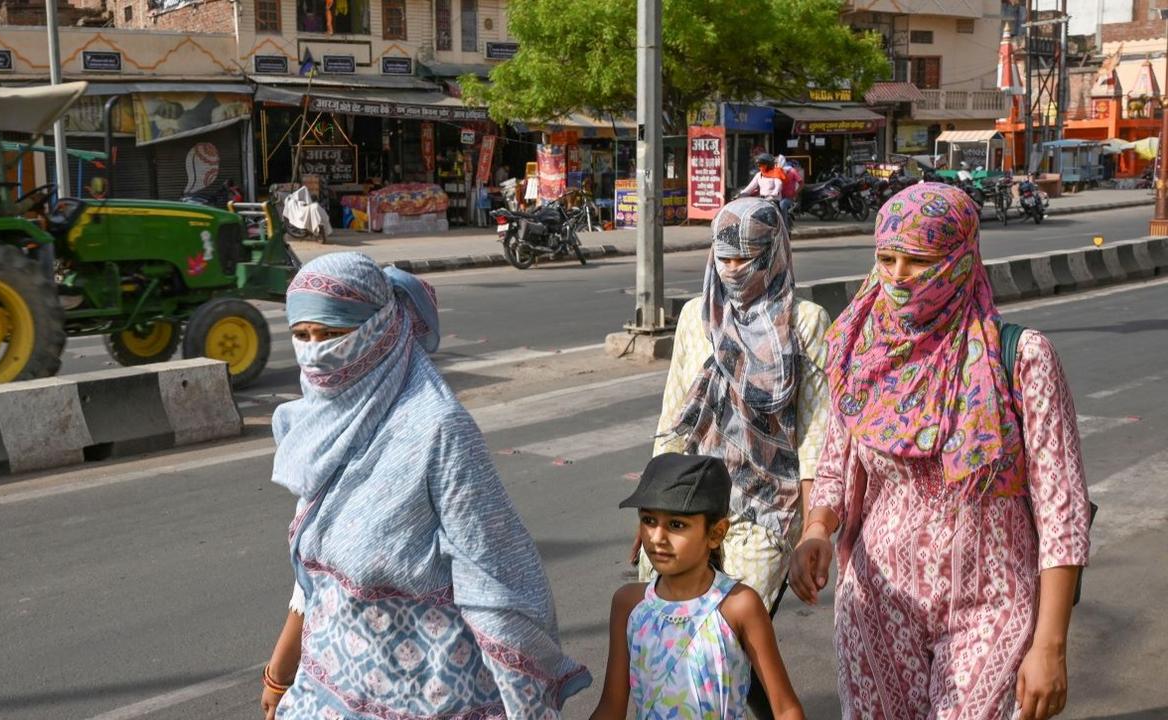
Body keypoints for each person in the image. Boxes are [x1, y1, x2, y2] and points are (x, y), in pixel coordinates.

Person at [789, 183, 1091, 720]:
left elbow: (1061, 509)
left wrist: (1052, 643)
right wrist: (816, 530)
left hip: (994, 603)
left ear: (958, 260)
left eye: (919, 260)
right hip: (877, 604)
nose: (900, 276)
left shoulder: (1022, 359)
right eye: (887, 258)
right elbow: (835, 463)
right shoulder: (861, 353)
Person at [262, 253, 590, 720]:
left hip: (429, 698)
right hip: (325, 689)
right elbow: (314, 574)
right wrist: (281, 672)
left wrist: (526, 703)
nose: (316, 354)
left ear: (379, 330)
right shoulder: (320, 427)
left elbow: (494, 578)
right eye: (302, 336)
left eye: (333, 336)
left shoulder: (437, 429)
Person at [648, 197, 830, 717]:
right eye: (723, 257)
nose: (732, 269)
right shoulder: (695, 317)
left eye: (746, 256)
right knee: (682, 636)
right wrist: (652, 513)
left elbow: (816, 436)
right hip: (691, 501)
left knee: (733, 631)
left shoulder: (806, 322)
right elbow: (674, 417)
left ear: (773, 252)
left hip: (768, 508)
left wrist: (814, 529)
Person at [591, 453, 804, 720]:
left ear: (716, 534)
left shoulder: (738, 606)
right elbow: (611, 706)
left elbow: (785, 709)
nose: (657, 537)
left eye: (676, 525)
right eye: (648, 520)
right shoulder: (629, 604)